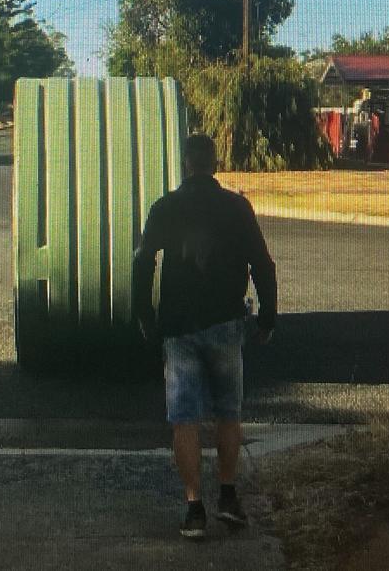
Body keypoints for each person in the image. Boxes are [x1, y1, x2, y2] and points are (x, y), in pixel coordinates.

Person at [132, 133, 277, 540]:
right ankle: (228, 495)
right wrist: (268, 319)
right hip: (227, 323)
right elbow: (263, 265)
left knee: (184, 418)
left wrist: (145, 315)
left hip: (178, 327)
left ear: (186, 164)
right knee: (229, 413)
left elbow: (143, 263)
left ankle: (194, 507)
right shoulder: (237, 206)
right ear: (214, 164)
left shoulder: (165, 207)